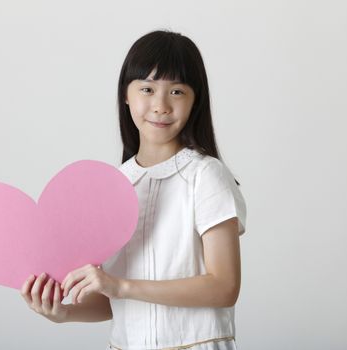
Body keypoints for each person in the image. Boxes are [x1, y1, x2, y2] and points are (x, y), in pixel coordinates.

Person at [20, 29, 247, 350]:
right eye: (147, 89)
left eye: (177, 92)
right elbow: (114, 300)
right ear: (126, 94)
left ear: (196, 100)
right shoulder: (112, 187)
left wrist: (120, 285)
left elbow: (224, 287)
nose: (160, 105)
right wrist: (63, 312)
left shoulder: (206, 175)